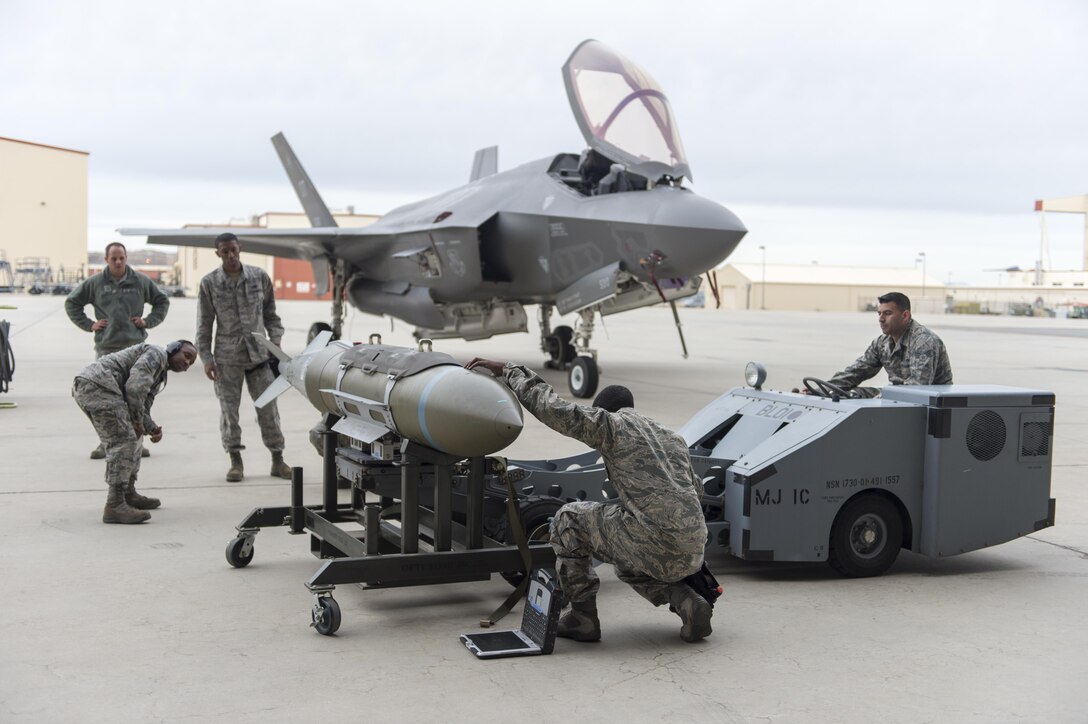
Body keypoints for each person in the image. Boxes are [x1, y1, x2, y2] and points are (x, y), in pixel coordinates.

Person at [466, 358, 713, 644]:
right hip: (694, 549)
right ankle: (688, 602)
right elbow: (694, 491)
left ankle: (583, 618)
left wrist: (510, 372)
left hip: (658, 542)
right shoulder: (672, 438)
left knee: (568, 519)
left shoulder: (611, 425)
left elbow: (553, 408)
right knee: (626, 562)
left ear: (603, 411)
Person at [197, 232, 291, 482]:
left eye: (233, 250)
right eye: (225, 252)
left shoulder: (259, 277)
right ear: (217, 253)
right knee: (230, 414)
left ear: (240, 249)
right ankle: (235, 462)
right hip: (227, 361)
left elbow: (272, 316)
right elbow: (204, 325)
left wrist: (276, 348)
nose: (230, 256)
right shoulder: (210, 283)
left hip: (259, 357)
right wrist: (206, 358)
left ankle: (277, 459)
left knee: (269, 411)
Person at [72, 340, 197, 523]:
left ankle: (128, 493)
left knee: (134, 438)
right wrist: (138, 421)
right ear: (173, 349)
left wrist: (151, 426)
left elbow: (142, 403)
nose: (187, 364)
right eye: (187, 356)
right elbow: (135, 388)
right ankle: (114, 505)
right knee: (124, 441)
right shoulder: (156, 354)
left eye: (191, 363)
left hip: (97, 386)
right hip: (98, 386)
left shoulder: (159, 373)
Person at [65, 241, 171, 459]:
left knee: (135, 397)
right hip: (107, 349)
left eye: (121, 258)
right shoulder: (95, 283)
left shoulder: (140, 281)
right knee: (105, 400)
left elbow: (162, 301)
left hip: (134, 348)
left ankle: (137, 443)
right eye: (114, 258)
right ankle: (106, 443)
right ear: (106, 260)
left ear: (126, 258)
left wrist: (147, 321)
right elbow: (72, 303)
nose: (118, 262)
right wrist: (90, 325)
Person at [823, 291, 953, 397]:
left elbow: (918, 387)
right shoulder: (882, 343)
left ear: (905, 315)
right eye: (879, 313)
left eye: (887, 313)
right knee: (849, 395)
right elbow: (857, 372)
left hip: (931, 405)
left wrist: (878, 399)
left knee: (866, 401)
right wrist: (823, 389)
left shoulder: (923, 341)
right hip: (899, 397)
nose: (881, 319)